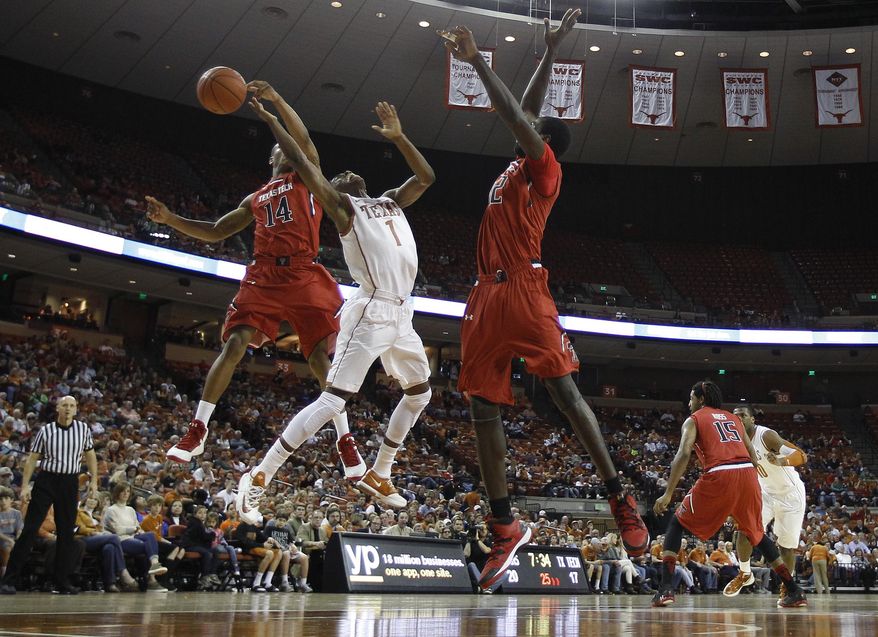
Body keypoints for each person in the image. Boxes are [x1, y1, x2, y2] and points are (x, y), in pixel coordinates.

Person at [440, 12, 648, 591]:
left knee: (563, 390)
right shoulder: (516, 164)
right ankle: (504, 525)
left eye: (533, 129)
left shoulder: (546, 169)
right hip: (484, 295)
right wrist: (551, 50)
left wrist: (477, 60)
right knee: (482, 407)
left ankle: (619, 497)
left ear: (545, 143)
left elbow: (516, 113)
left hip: (527, 291)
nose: (521, 129)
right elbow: (525, 110)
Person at [146, 80, 365, 481]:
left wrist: (276, 102)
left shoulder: (308, 175)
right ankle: (198, 429)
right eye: (281, 148)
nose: (288, 149)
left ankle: (345, 440)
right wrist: (170, 220)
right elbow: (215, 230)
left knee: (320, 359)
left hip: (303, 271)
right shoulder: (256, 197)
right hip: (264, 273)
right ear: (271, 158)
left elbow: (301, 137)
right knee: (235, 343)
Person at [236, 97, 435, 518]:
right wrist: (275, 121)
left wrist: (399, 138)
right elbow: (307, 165)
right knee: (333, 401)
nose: (345, 172)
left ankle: (381, 471)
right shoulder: (344, 209)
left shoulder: (390, 199)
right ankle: (258, 477)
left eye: (348, 172)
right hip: (370, 311)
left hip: (402, 312)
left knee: (420, 393)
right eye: (338, 175)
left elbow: (426, 176)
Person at [651, 381, 807, 608]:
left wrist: (668, 493)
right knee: (756, 533)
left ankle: (665, 589)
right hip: (747, 474)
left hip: (721, 473)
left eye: (691, 398)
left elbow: (684, 453)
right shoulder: (733, 419)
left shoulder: (694, 419)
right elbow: (752, 455)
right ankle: (794, 590)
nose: (689, 402)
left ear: (701, 399)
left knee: (676, 523)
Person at [0, 396, 97, 595]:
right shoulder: (46, 430)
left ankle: (61, 581)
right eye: (65, 405)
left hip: (70, 482)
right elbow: (32, 458)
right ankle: (9, 580)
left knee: (66, 533)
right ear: (58, 408)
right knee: (30, 529)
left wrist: (95, 480)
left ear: (76, 409)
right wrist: (25, 486)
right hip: (47, 480)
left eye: (72, 406)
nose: (68, 409)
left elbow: (91, 455)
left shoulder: (83, 430)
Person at [727, 404, 808, 602]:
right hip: (765, 493)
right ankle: (745, 573)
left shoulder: (766, 436)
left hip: (790, 495)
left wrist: (781, 461)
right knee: (744, 530)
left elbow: (801, 455)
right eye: (735, 416)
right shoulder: (734, 442)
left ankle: (787, 587)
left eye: (743, 416)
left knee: (785, 547)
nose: (739, 419)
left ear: (752, 419)